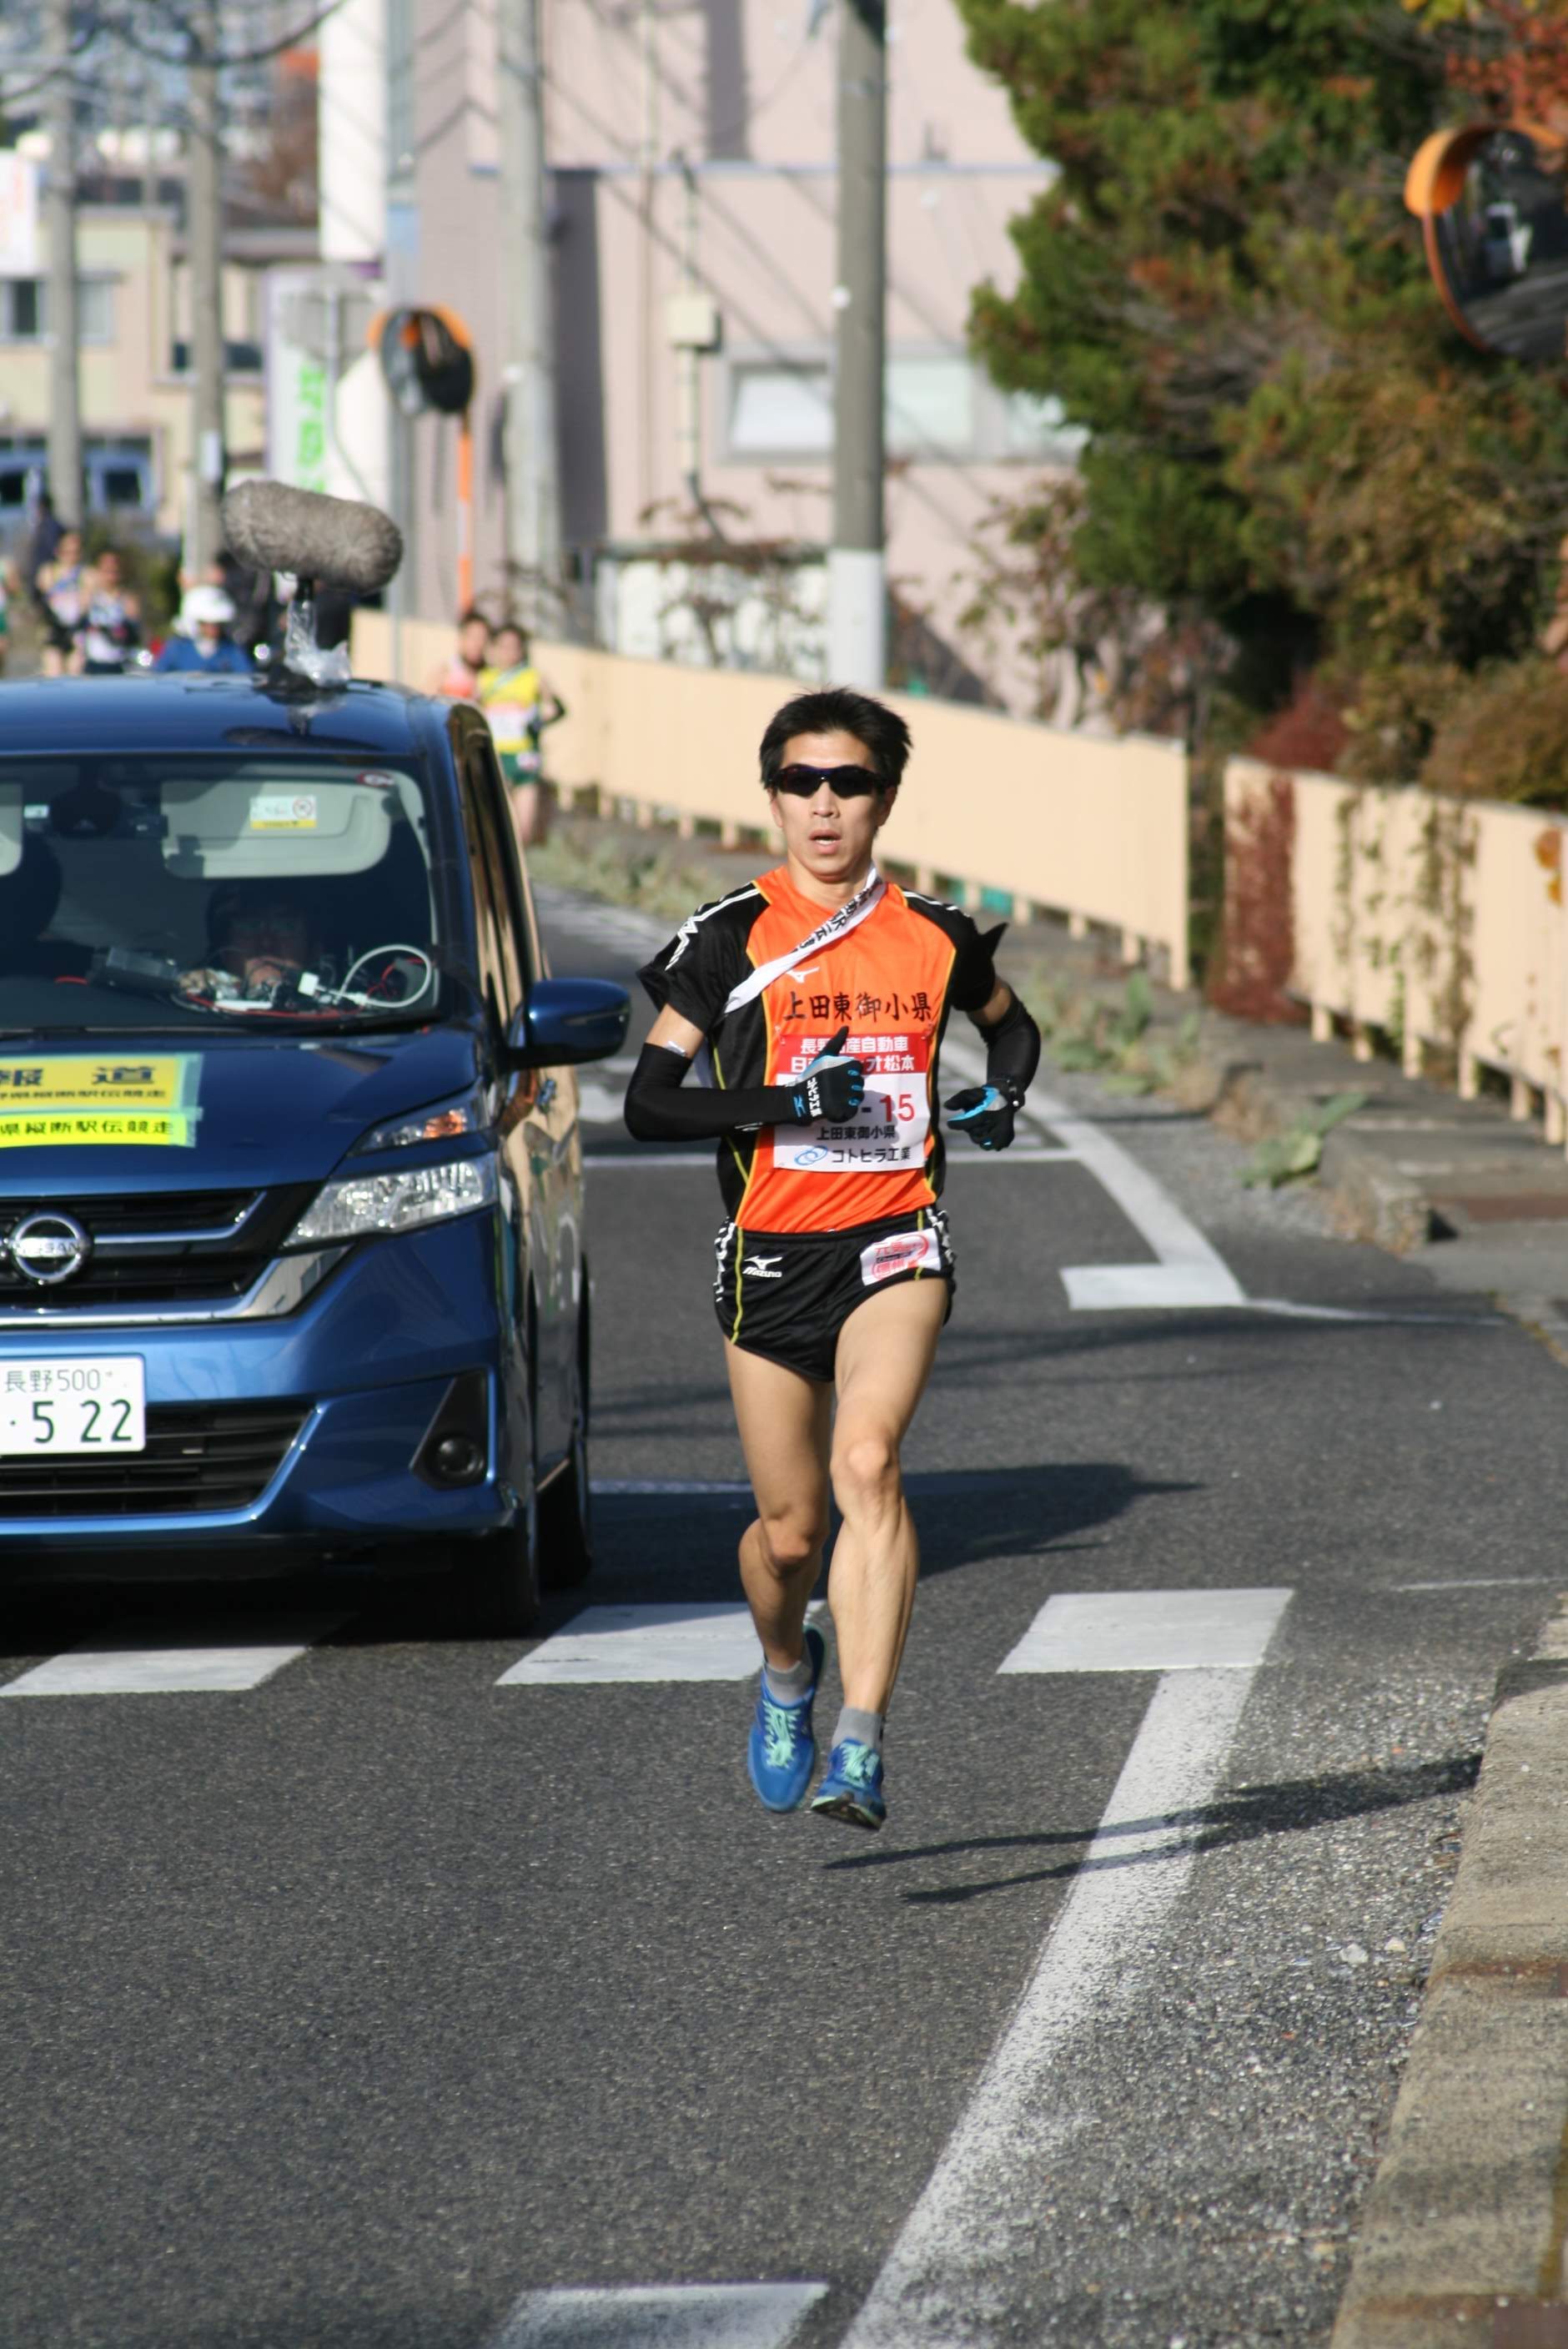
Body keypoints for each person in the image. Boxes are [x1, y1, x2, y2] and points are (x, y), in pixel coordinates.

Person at [623, 687, 1042, 1830]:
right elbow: (650, 1105)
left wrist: (1003, 1094)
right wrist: (786, 1100)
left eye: (848, 783)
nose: (823, 803)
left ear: (885, 800)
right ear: (772, 798)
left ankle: (862, 1742)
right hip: (769, 1253)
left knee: (868, 1465)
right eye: (800, 781)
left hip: (896, 1237)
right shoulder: (730, 937)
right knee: (792, 1533)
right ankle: (784, 1671)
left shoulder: (935, 931)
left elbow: (1012, 1022)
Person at [477, 620, 566, 849]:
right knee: (497, 826)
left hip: (524, 758)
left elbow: (559, 709)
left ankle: (520, 875)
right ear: (494, 648)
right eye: (504, 646)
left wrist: (539, 723)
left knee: (523, 830)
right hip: (494, 758)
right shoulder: (484, 679)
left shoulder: (533, 678)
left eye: (514, 647)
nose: (509, 653)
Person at [153, 583, 253, 673]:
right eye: (206, 624)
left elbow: (246, 675)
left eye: (217, 624)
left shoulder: (231, 650)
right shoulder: (177, 649)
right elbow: (158, 677)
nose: (213, 629)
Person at [76, 547, 143, 675]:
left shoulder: (127, 600)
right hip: (93, 664)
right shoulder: (90, 598)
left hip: (120, 665)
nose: (110, 576)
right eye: (106, 571)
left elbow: (135, 637)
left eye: (114, 571)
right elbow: (78, 626)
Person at [33, 527, 88, 676]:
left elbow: (86, 601)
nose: (71, 556)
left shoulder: (85, 574)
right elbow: (44, 597)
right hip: (54, 630)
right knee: (54, 672)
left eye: (75, 551)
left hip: (76, 632)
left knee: (76, 670)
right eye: (67, 551)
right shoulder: (49, 571)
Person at [427, 608, 490, 699]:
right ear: (461, 639)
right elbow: (424, 702)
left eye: (482, 638)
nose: (478, 644)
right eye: (473, 637)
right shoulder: (446, 671)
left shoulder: (490, 673)